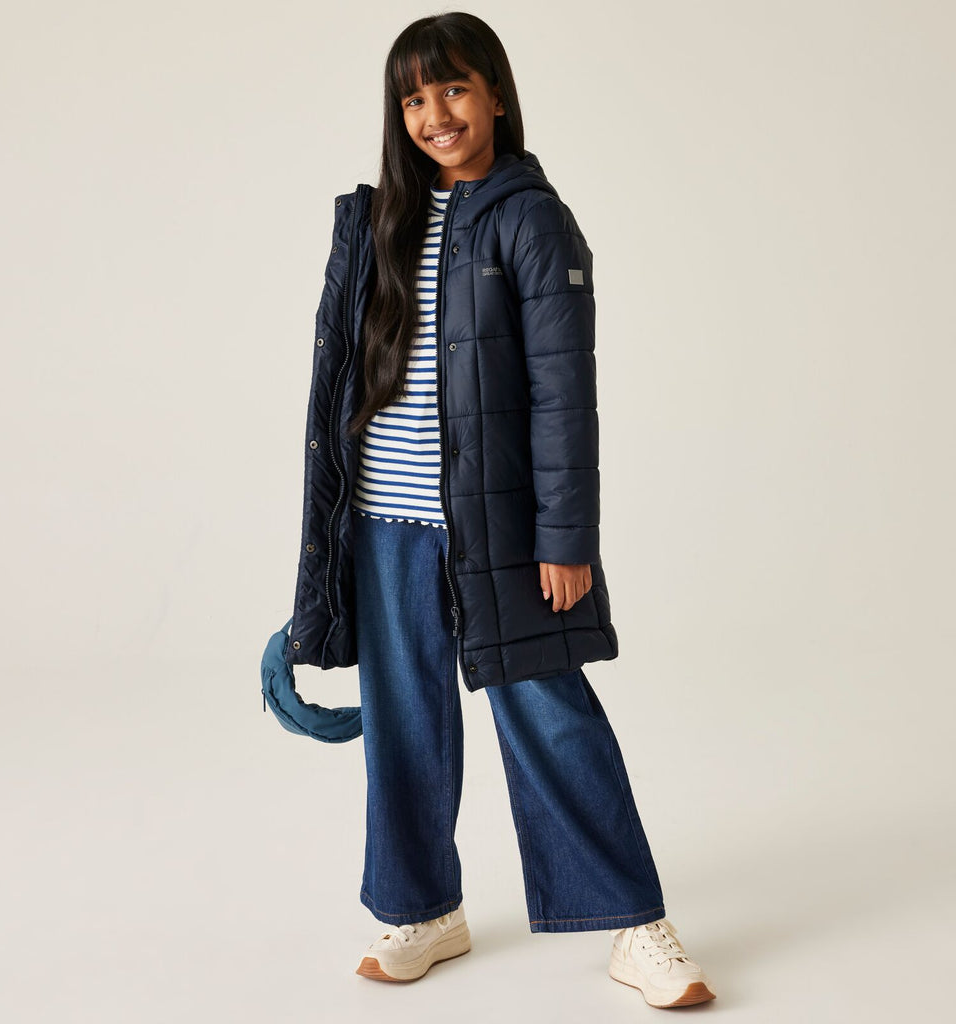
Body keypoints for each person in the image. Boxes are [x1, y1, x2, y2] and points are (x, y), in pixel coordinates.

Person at [284, 11, 717, 1009]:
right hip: (384, 524)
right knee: (404, 719)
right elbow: (344, 380)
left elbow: (564, 393)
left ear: (496, 97)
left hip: (501, 530)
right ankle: (421, 908)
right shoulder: (379, 222)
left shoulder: (531, 218)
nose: (436, 114)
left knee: (550, 715)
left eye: (454, 89)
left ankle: (634, 923)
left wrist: (565, 536)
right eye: (414, 97)